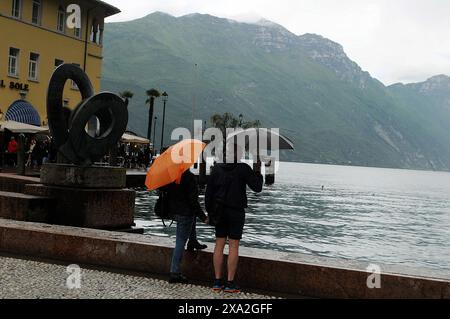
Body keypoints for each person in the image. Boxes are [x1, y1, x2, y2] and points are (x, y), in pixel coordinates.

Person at [205, 146, 263, 293]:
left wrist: (210, 213)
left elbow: (208, 193)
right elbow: (257, 187)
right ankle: (230, 283)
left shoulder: (217, 168)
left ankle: (217, 282)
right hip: (236, 212)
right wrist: (258, 170)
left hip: (219, 212)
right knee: (233, 246)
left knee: (219, 244)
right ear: (237, 155)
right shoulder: (243, 168)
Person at [166, 169, 209, 284]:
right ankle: (174, 272)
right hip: (185, 213)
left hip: (174, 211)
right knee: (180, 241)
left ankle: (193, 241)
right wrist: (203, 217)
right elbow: (193, 201)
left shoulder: (172, 175)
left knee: (190, 221)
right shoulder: (189, 177)